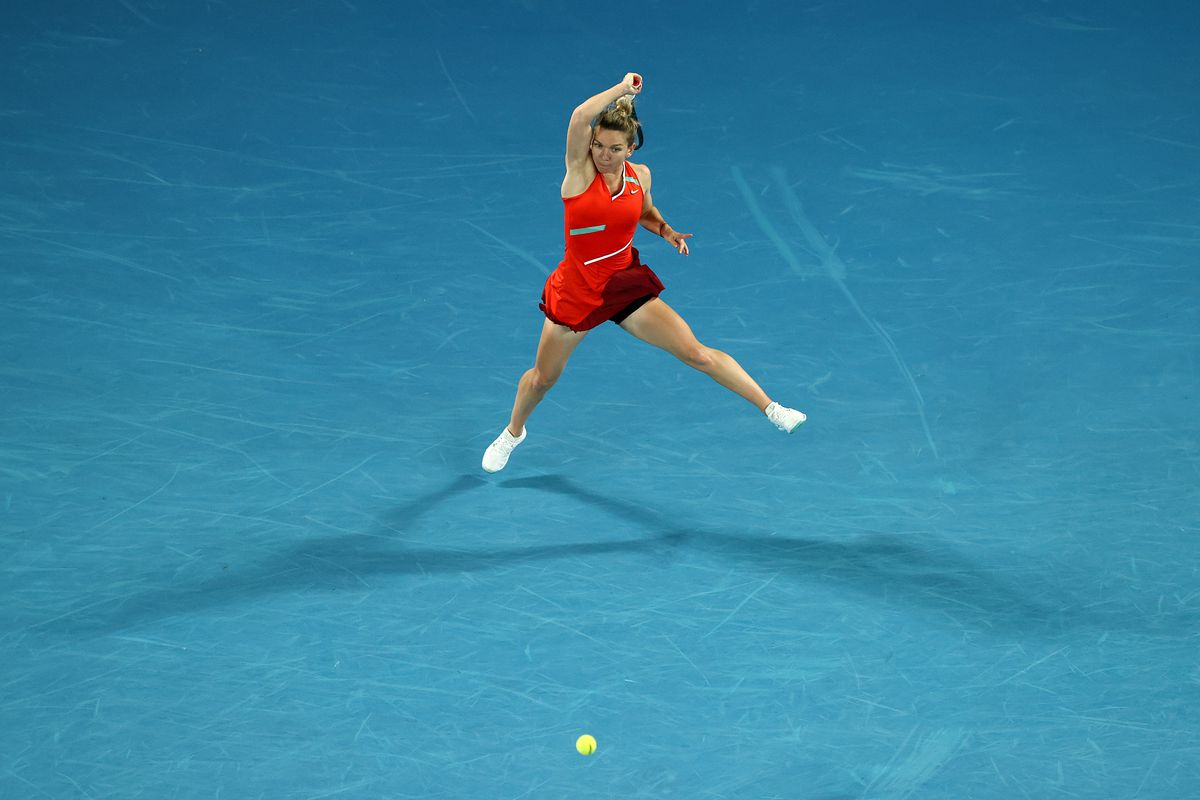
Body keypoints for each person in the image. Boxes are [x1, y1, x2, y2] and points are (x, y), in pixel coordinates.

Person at [482, 73, 805, 473]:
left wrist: (666, 230)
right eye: (598, 145)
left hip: (622, 284)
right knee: (542, 381)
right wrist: (622, 89)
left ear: (630, 149)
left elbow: (644, 213)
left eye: (614, 148)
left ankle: (772, 408)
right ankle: (513, 433)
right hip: (577, 291)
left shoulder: (641, 177)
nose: (602, 154)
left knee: (695, 352)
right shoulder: (578, 177)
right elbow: (580, 117)